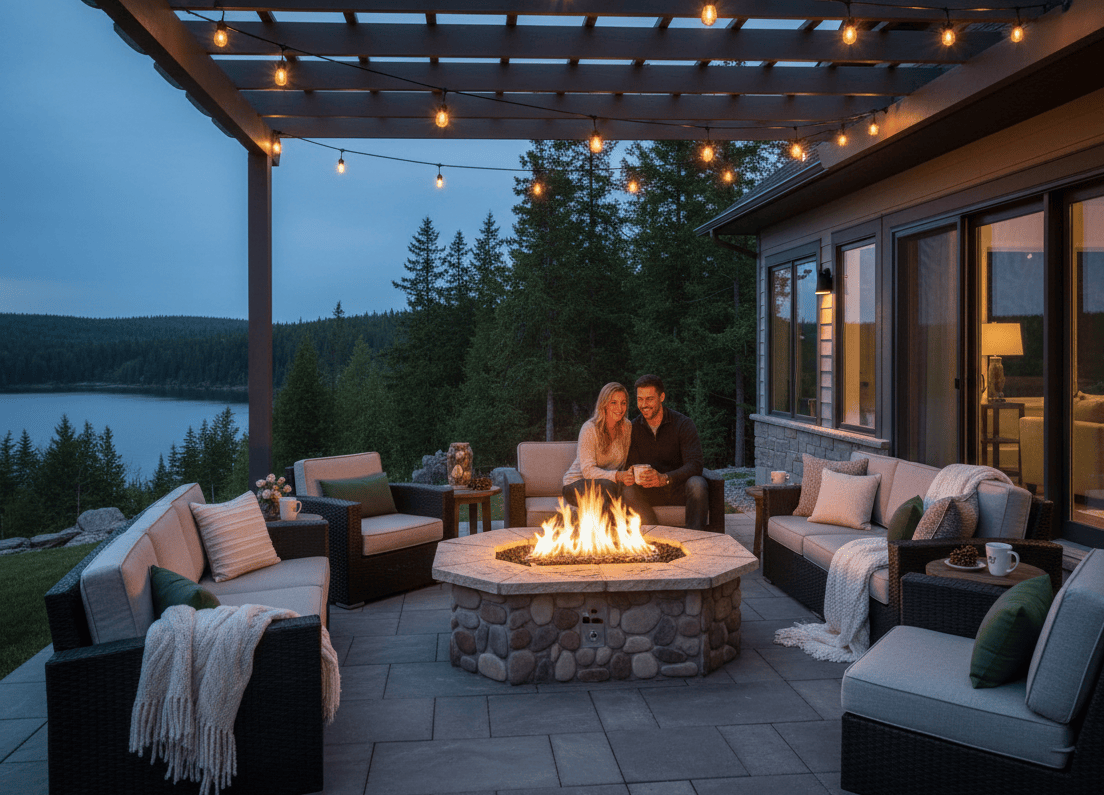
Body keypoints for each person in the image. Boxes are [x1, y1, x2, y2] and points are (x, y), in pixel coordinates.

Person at [621, 374, 708, 530]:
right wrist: (633, 473)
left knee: (697, 484)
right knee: (627, 491)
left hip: (677, 488)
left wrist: (665, 478)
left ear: (661, 397)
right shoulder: (632, 428)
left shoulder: (683, 424)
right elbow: (629, 464)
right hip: (648, 492)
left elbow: (695, 464)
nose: (644, 404)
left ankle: (696, 540)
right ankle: (655, 536)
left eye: (649, 399)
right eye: (640, 399)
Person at [562, 382, 635, 507]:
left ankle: (647, 526)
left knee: (630, 492)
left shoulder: (627, 427)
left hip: (610, 485)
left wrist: (630, 476)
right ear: (604, 404)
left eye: (623, 403)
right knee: (608, 487)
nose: (619, 408)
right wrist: (618, 476)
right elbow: (588, 471)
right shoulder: (590, 428)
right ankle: (610, 526)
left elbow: (623, 464)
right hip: (576, 484)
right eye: (614, 402)